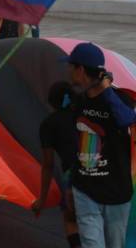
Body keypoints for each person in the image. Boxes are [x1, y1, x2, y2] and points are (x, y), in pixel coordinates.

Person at [65, 42, 136, 248]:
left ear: (80, 70)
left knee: (116, 244)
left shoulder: (119, 98)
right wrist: (71, 184)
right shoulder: (78, 101)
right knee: (91, 244)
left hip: (116, 191)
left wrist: (107, 91)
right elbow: (75, 144)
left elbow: (127, 120)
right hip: (85, 189)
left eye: (71, 66)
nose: (68, 70)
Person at [31, 81, 81, 248]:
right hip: (100, 170)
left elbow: (48, 164)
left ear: (51, 101)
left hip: (74, 175)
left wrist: (42, 199)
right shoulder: (84, 114)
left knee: (71, 218)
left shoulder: (49, 124)